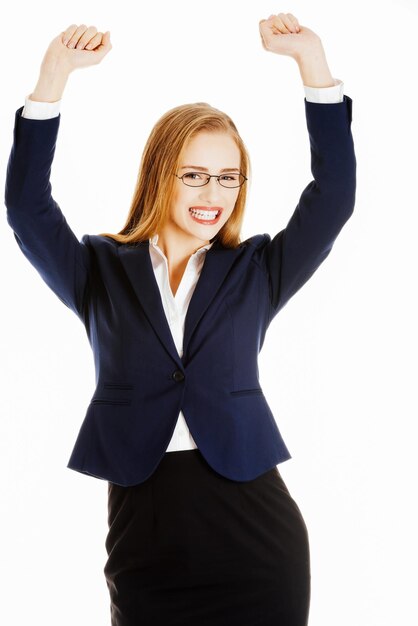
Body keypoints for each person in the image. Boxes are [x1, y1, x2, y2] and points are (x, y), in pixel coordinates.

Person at [4, 12, 356, 626]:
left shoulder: (257, 269)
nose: (212, 195)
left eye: (227, 177)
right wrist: (53, 78)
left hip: (256, 535)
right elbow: (27, 207)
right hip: (146, 534)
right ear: (160, 176)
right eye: (194, 175)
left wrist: (314, 68)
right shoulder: (99, 271)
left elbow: (335, 197)